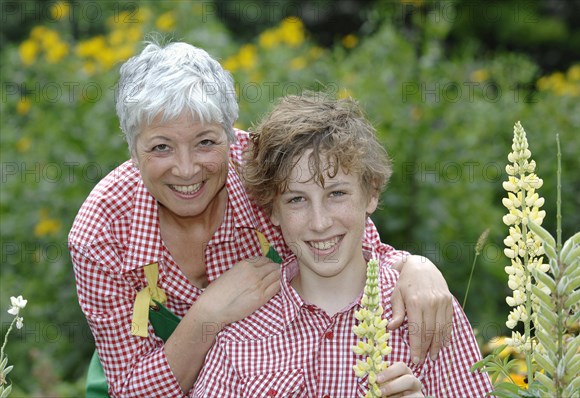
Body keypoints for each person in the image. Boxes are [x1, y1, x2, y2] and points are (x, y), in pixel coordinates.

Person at [68, 40, 453, 397]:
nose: (186, 170)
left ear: (231, 136)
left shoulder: (266, 172)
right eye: (160, 147)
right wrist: (209, 312)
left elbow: (350, 240)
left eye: (205, 142)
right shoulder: (100, 233)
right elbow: (130, 387)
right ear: (133, 151)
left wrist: (414, 265)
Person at [192, 93, 493, 397]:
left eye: (336, 194)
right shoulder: (243, 330)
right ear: (272, 210)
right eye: (297, 199)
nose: (320, 222)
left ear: (371, 193)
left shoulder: (425, 311)